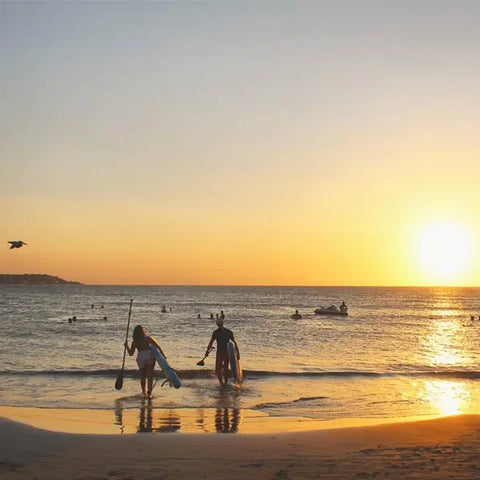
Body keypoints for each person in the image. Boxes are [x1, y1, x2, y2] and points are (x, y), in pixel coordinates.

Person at [125, 325, 165, 398]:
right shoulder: (148, 338)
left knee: (142, 377)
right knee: (150, 376)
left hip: (140, 358)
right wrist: (163, 357)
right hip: (149, 356)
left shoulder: (135, 341)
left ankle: (143, 392)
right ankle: (149, 393)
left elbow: (131, 353)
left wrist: (126, 346)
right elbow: (158, 347)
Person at [204, 319, 240, 386]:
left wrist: (237, 353)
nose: (219, 325)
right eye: (218, 324)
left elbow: (234, 342)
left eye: (220, 324)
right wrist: (207, 351)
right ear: (217, 325)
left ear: (222, 324)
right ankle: (221, 383)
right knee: (217, 369)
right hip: (219, 352)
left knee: (225, 368)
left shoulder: (228, 332)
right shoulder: (215, 332)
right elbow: (211, 342)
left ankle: (225, 383)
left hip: (227, 352)